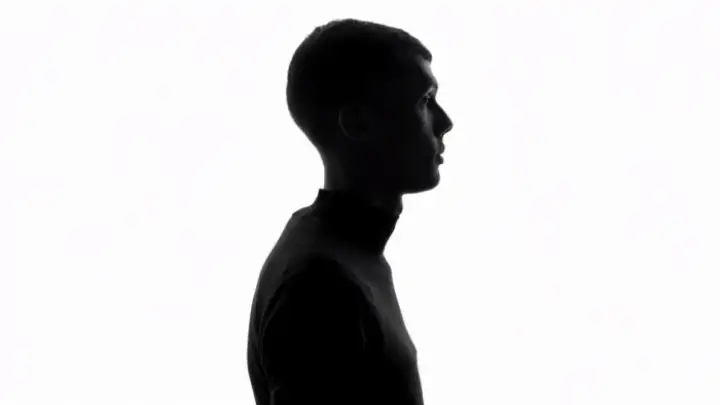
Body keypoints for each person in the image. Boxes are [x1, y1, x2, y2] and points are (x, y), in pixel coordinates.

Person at [246, 18, 453, 405]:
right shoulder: (319, 284)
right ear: (358, 123)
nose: (445, 123)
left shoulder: (341, 249)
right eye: (424, 102)